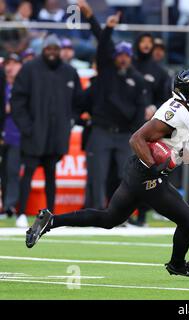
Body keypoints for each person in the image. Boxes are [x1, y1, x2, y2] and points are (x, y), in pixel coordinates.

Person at [25, 69, 189, 279]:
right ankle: (177, 264)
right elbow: (137, 139)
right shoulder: (177, 112)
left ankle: (51, 221)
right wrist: (153, 169)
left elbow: (174, 148)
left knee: (109, 218)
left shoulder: (188, 112)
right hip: (146, 175)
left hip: (139, 171)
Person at [10, 34, 83, 222]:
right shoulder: (29, 69)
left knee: (51, 174)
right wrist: (27, 127)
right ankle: (21, 213)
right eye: (48, 49)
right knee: (28, 173)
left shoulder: (69, 71)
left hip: (57, 134)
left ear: (60, 51)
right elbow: (17, 100)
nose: (52, 52)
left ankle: (49, 215)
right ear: (43, 50)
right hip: (34, 133)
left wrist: (70, 121)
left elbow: (78, 101)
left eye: (55, 49)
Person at [83, 13, 148, 210]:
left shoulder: (137, 80)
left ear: (131, 58)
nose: (122, 59)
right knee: (97, 175)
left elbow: (140, 108)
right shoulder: (106, 72)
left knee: (126, 176)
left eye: (126, 56)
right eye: (119, 55)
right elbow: (102, 46)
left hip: (125, 134)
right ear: (114, 57)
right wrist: (108, 27)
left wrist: (137, 134)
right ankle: (96, 212)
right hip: (101, 130)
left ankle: (119, 214)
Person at [0, 53, 24, 226]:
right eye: (8, 63)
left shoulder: (23, 86)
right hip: (2, 133)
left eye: (15, 63)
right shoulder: (3, 85)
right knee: (4, 173)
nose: (11, 66)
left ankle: (10, 206)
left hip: (15, 135)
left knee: (12, 171)